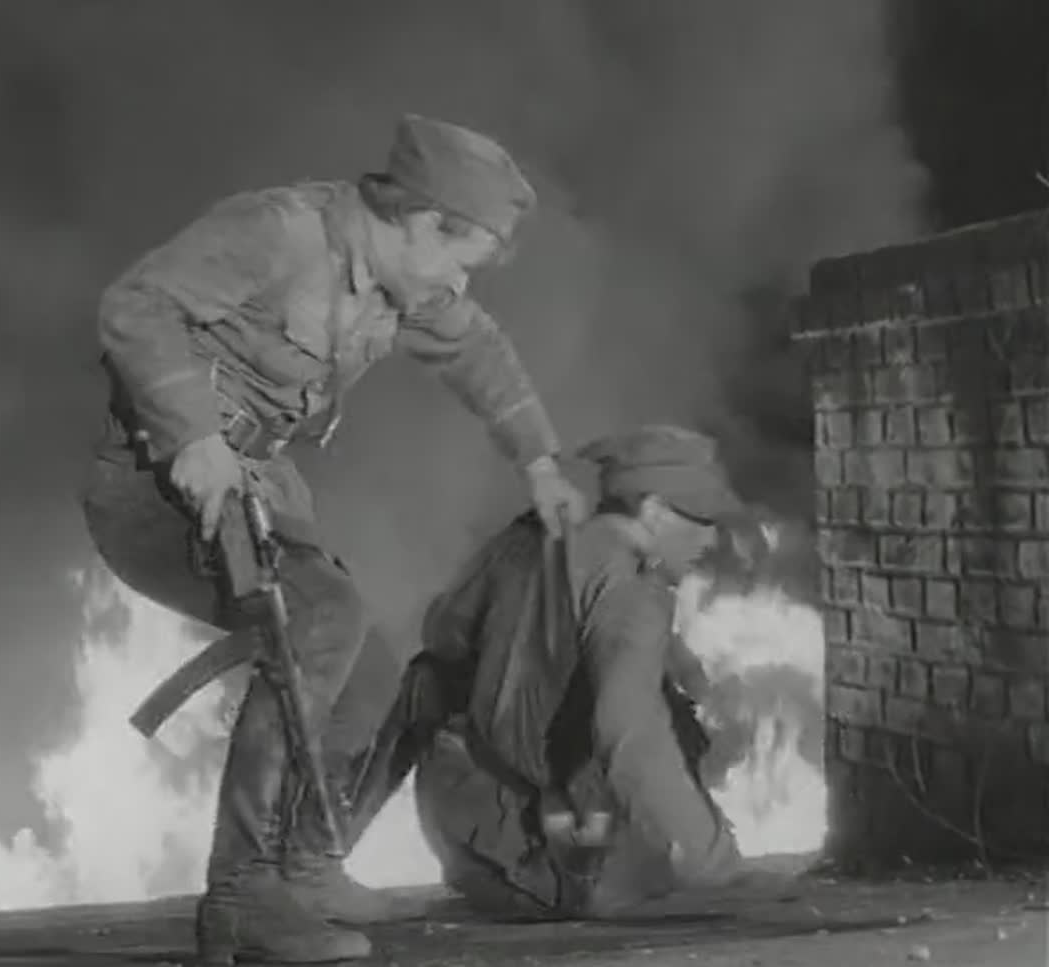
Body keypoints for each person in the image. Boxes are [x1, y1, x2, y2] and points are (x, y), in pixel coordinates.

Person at [80, 114, 587, 963]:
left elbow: (478, 350)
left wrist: (538, 459)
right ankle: (241, 895)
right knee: (320, 619)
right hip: (149, 483)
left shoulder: (401, 285)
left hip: (256, 483)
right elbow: (136, 305)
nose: (458, 283)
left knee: (369, 668)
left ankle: (306, 866)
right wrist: (193, 435)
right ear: (421, 222)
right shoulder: (281, 232)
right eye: (460, 259)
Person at [336, 424, 792, 919]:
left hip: (467, 843)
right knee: (664, 726)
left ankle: (318, 856)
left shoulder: (530, 538)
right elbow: (631, 737)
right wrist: (720, 867)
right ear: (655, 510)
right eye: (702, 519)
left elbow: (444, 631)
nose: (711, 538)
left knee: (429, 678)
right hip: (553, 873)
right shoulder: (634, 594)